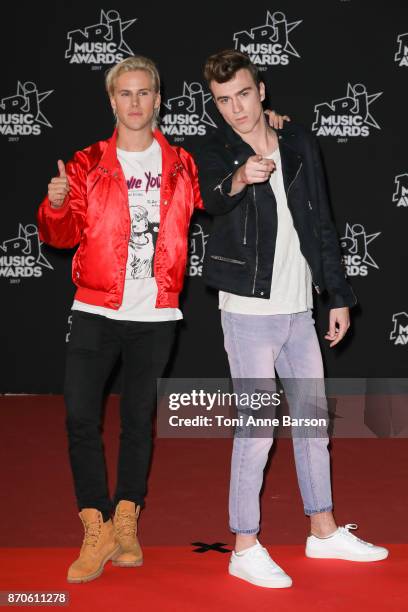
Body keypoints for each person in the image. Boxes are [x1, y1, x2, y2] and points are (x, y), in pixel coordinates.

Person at [37, 54, 286, 584]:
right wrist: (56, 205)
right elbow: (59, 238)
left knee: (136, 422)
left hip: (156, 315)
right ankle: (96, 524)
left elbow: (221, 189)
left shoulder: (181, 163)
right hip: (94, 309)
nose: (134, 102)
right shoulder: (86, 164)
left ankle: (127, 519)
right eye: (124, 94)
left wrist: (272, 121)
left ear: (157, 99)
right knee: (80, 417)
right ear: (112, 101)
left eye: (143, 92)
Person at [197, 49, 388, 589]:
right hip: (248, 310)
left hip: (299, 308)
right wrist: (239, 178)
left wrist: (339, 296)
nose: (235, 109)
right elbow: (210, 200)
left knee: (311, 426)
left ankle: (322, 530)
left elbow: (323, 222)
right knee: (256, 430)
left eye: (242, 95)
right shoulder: (213, 149)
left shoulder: (299, 142)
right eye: (223, 101)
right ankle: (243, 545)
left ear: (261, 90)